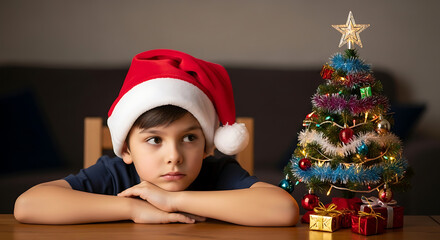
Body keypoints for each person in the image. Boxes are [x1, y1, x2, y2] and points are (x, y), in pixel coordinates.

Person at [14, 49, 299, 226]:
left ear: (207, 147)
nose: (174, 156)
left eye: (189, 138)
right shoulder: (115, 174)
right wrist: (133, 208)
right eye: (154, 140)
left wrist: (173, 200)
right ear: (126, 150)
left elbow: (283, 209)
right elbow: (28, 205)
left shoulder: (218, 173)